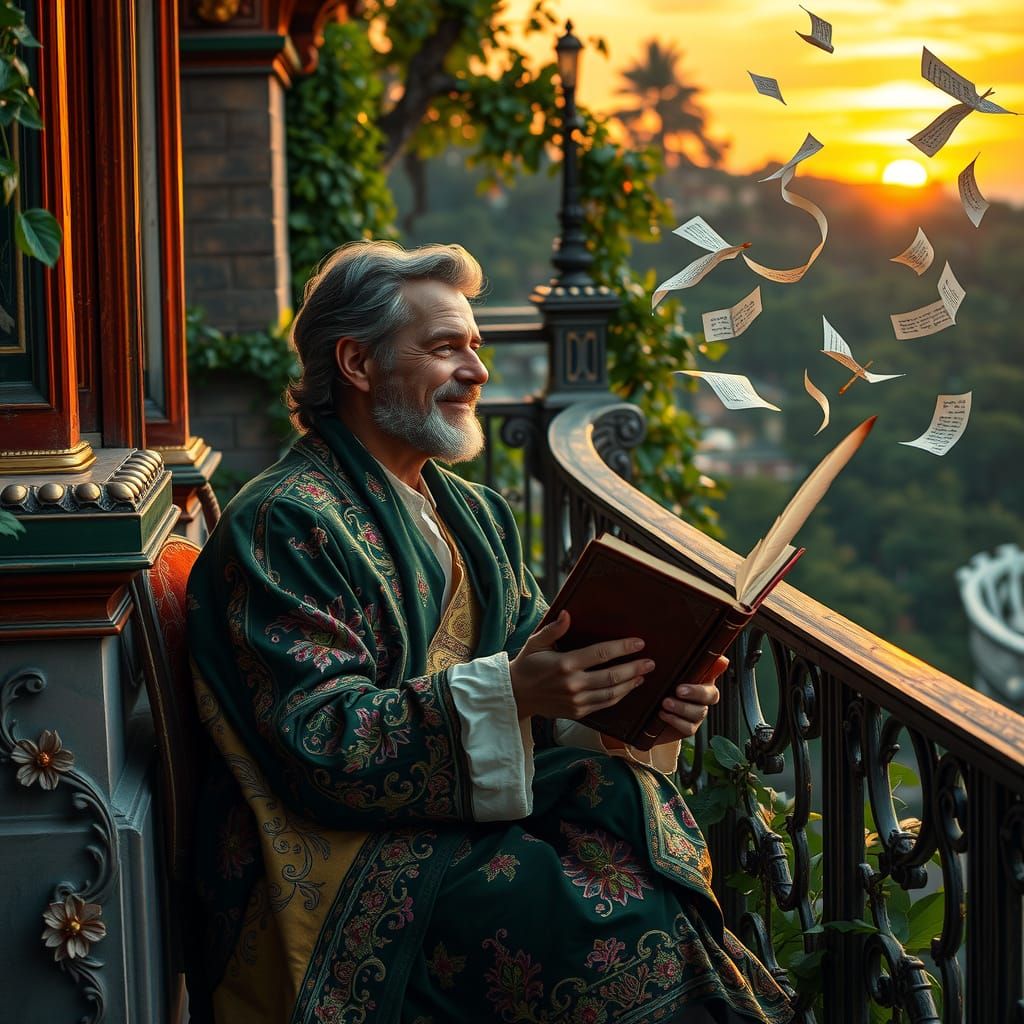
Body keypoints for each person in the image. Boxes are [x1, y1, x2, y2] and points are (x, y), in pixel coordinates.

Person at [186, 240, 794, 1024]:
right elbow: (320, 741)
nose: (477, 371)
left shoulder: (473, 514)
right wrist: (512, 691)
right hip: (344, 867)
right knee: (617, 929)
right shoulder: (285, 520)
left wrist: (629, 698)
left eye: (476, 347)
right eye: (445, 348)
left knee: (626, 812)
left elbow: (542, 664)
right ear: (357, 364)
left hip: (456, 828)